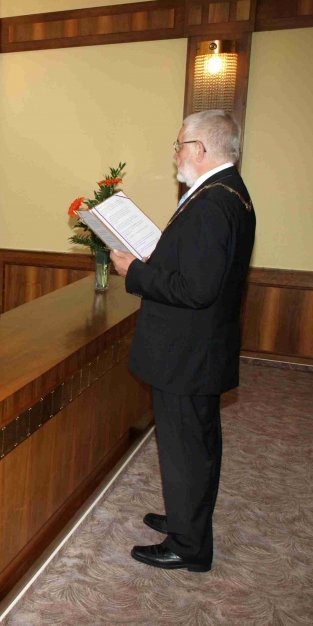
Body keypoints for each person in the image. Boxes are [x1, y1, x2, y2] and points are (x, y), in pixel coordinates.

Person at [111, 109, 256, 572]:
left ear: (199, 149)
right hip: (200, 348)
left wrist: (135, 272)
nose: (175, 154)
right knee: (196, 442)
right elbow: (201, 268)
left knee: (185, 448)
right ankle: (185, 519)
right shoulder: (230, 192)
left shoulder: (212, 202)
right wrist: (161, 256)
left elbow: (196, 290)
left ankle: (189, 545)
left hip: (187, 353)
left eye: (179, 146)